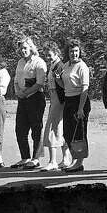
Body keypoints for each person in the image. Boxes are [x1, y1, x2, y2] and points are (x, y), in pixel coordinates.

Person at [12, 37, 48, 168]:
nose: (23, 51)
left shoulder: (39, 62)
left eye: (25, 48)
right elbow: (16, 80)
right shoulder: (20, 62)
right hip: (22, 99)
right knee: (20, 129)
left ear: (31, 48)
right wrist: (18, 92)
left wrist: (26, 93)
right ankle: (25, 157)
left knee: (36, 129)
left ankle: (36, 158)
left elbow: (40, 83)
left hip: (35, 98)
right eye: (21, 48)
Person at [60, 42, 91, 172]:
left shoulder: (82, 66)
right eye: (72, 51)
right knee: (68, 133)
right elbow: (65, 85)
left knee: (79, 134)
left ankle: (79, 162)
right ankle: (74, 160)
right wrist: (57, 79)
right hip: (68, 100)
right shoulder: (66, 65)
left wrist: (80, 109)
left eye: (76, 51)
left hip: (80, 101)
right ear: (68, 52)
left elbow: (85, 88)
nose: (74, 53)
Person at [38, 41, 67, 172]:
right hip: (55, 97)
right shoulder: (54, 66)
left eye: (49, 55)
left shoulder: (59, 66)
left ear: (56, 53)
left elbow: (64, 85)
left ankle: (53, 161)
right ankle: (65, 159)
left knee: (52, 128)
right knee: (60, 128)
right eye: (46, 55)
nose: (47, 57)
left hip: (58, 99)